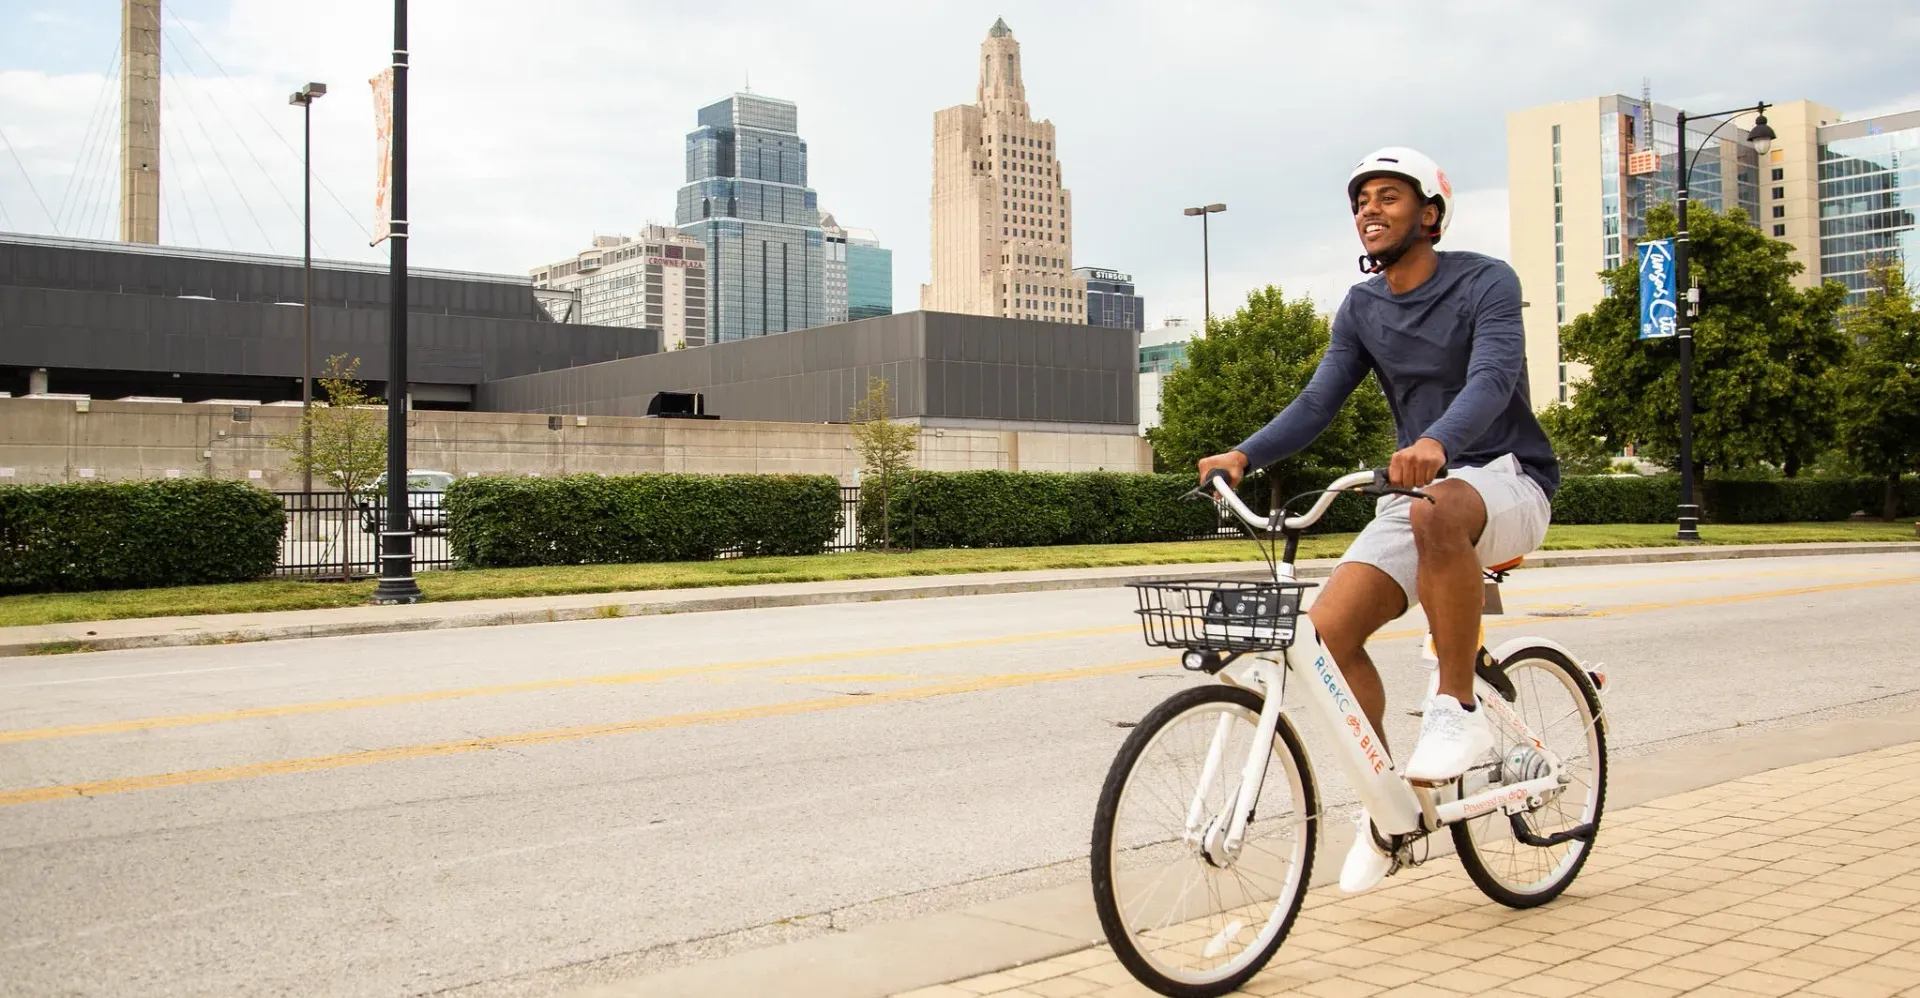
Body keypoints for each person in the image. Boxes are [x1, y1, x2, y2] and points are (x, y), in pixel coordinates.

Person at [1194, 147, 1558, 893]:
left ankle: (1456, 709)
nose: (1370, 210)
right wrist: (1244, 454)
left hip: (1506, 477)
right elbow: (1318, 403)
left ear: (1429, 212)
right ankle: (1390, 809)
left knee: (1437, 508)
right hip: (1419, 494)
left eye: (1388, 196)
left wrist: (1437, 443)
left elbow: (1493, 378)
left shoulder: (1486, 281)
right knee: (1324, 637)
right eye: (1361, 200)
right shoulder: (1364, 309)